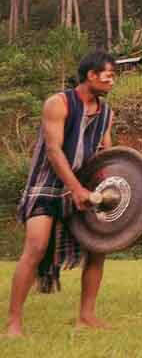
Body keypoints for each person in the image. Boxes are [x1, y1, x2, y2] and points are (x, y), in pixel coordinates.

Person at [6, 52, 116, 336]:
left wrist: (105, 186)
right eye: (108, 76)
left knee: (98, 249)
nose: (112, 81)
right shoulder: (58, 103)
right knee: (37, 247)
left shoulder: (106, 113)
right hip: (48, 184)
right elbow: (54, 151)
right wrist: (76, 189)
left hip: (83, 184)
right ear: (91, 75)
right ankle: (13, 322)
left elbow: (106, 153)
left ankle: (87, 316)